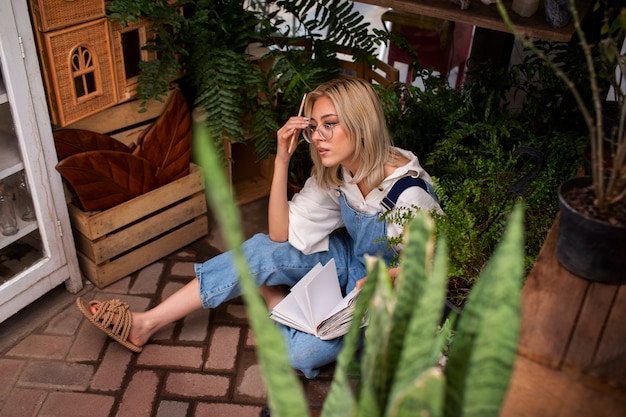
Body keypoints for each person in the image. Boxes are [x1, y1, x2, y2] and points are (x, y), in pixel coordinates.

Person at [76, 77, 442, 379]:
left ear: (361, 123)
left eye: (330, 124)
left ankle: (269, 292)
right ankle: (146, 323)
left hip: (383, 291)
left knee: (302, 354)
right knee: (264, 250)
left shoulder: (408, 194)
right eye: (314, 127)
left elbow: (427, 268)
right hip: (350, 262)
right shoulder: (339, 172)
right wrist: (281, 158)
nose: (317, 136)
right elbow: (280, 235)